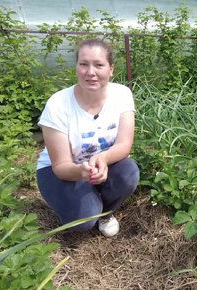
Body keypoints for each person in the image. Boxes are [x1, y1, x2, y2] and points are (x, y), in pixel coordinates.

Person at [36, 38, 139, 237]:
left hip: (98, 164)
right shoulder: (58, 104)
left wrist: (103, 159)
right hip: (61, 171)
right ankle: (80, 204)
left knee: (129, 173)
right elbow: (61, 166)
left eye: (99, 65)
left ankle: (106, 212)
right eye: (84, 64)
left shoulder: (122, 94)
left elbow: (124, 145)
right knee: (83, 221)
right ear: (76, 67)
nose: (90, 72)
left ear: (111, 69)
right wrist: (82, 172)